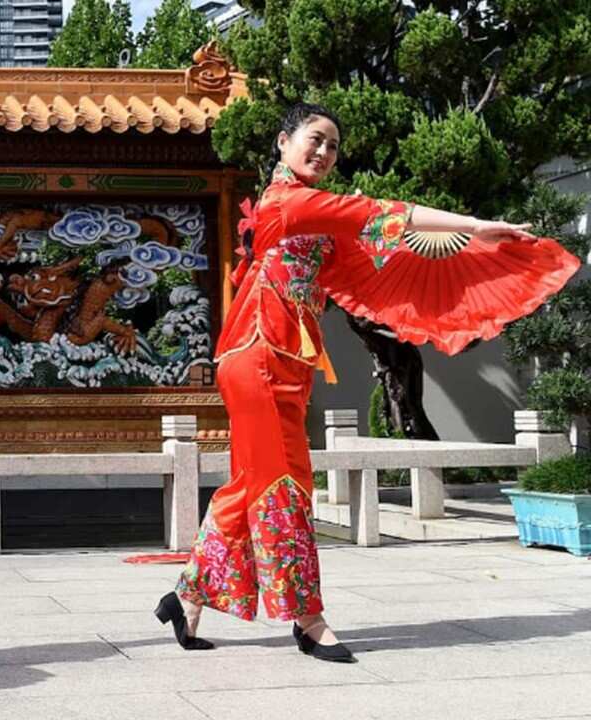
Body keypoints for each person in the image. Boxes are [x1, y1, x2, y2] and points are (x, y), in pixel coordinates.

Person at [154, 103, 552, 663]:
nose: (323, 152)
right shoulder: (289, 201)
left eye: (333, 146)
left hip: (283, 360)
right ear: (283, 142)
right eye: (314, 140)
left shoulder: (312, 215)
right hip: (260, 356)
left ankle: (188, 596)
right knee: (284, 483)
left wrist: (468, 252)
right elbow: (378, 210)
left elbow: (382, 249)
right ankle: (308, 618)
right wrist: (474, 223)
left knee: (251, 483)